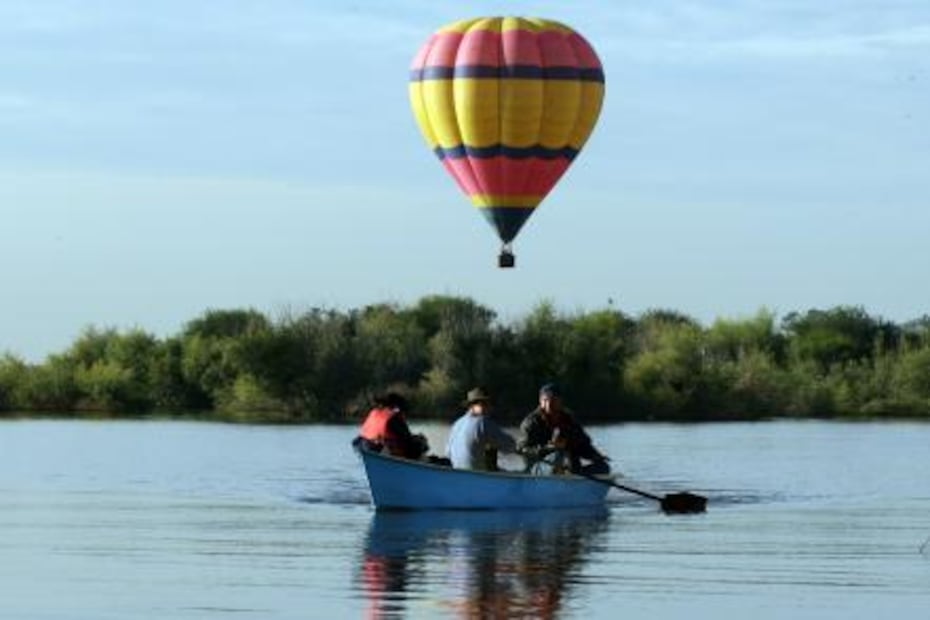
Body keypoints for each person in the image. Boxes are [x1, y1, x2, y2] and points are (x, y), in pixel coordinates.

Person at [518, 383, 610, 475]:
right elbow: (522, 449)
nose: (548, 404)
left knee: (603, 467)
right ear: (540, 401)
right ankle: (566, 476)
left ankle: (573, 478)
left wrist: (596, 456)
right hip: (539, 468)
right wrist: (549, 448)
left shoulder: (569, 420)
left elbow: (583, 445)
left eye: (553, 400)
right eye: (545, 400)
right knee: (558, 454)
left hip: (569, 468)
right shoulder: (531, 422)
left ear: (560, 401)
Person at [446, 387, 517, 471]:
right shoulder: (482, 422)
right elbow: (510, 446)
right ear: (475, 405)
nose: (490, 408)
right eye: (487, 404)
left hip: (458, 475)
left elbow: (448, 453)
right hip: (477, 477)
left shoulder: (457, 424)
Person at [357, 392, 429, 460]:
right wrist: (421, 442)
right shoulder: (394, 418)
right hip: (384, 452)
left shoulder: (374, 413)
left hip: (367, 448)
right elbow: (407, 440)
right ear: (397, 408)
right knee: (419, 442)